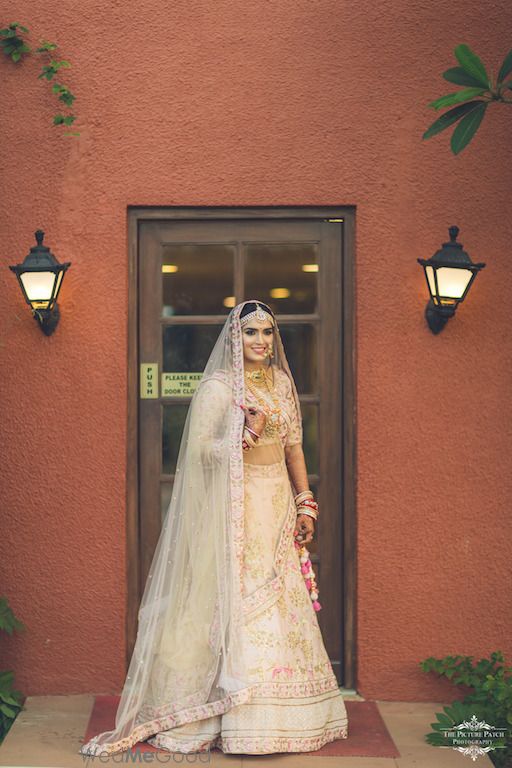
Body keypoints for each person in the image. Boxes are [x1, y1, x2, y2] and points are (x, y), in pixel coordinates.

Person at [79, 299, 348, 756]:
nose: (261, 341)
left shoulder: (282, 384)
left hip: (277, 505)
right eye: (250, 333)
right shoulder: (219, 388)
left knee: (281, 597)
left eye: (267, 332)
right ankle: (227, 713)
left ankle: (288, 714)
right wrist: (243, 435)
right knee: (234, 599)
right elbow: (199, 452)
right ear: (233, 338)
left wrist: (306, 503)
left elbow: (294, 450)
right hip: (235, 511)